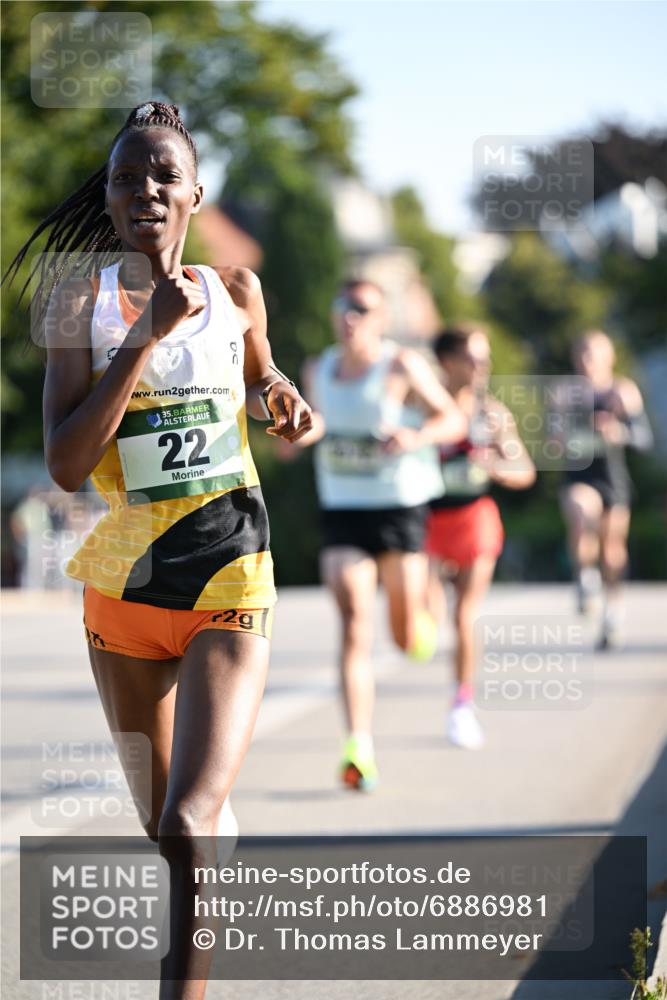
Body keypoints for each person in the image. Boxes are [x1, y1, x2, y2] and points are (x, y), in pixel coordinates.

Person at [4, 101, 312, 1000]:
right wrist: (145, 335)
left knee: (186, 818)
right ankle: (211, 836)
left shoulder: (236, 291)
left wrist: (287, 398)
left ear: (195, 194)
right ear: (106, 196)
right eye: (128, 176)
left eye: (163, 175)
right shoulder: (76, 303)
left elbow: (264, 382)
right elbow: (66, 464)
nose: (146, 188)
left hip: (229, 569)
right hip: (123, 587)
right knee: (165, 828)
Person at [294, 280, 465, 790]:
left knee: (405, 635)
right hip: (344, 508)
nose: (349, 317)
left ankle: (422, 622)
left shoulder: (401, 365)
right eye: (341, 306)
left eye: (361, 309)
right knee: (352, 621)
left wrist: (417, 435)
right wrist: (300, 433)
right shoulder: (316, 369)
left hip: (398, 506)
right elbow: (312, 424)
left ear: (380, 319)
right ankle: (359, 746)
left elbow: (452, 419)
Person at [426, 324, 536, 749]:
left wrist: (496, 465)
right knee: (430, 617)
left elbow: (524, 471)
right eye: (474, 358)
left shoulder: (492, 413)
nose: (483, 367)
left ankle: (461, 705)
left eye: (485, 358)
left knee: (464, 615)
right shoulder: (422, 405)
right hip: (427, 521)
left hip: (474, 517)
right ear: (447, 362)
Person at [558, 329, 652, 649]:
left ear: (608, 357)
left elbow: (644, 440)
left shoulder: (623, 391)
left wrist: (619, 431)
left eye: (594, 353)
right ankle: (585, 577)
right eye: (582, 352)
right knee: (582, 511)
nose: (588, 360)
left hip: (613, 478)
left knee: (612, 549)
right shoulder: (564, 392)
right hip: (579, 475)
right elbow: (552, 439)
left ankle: (613, 612)